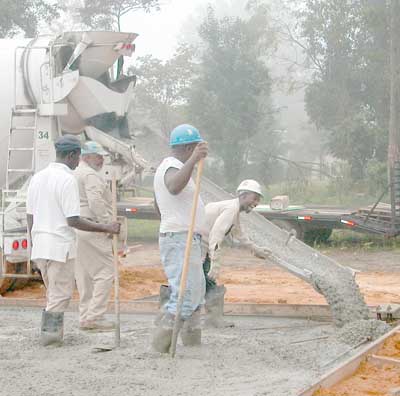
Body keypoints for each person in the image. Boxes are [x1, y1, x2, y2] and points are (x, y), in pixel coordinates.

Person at [26, 135, 120, 346]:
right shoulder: (67, 179)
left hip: (41, 245)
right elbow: (73, 220)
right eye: (77, 157)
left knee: (53, 294)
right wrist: (106, 227)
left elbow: (30, 216)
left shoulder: (37, 177)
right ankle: (50, 339)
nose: (79, 162)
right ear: (71, 155)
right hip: (59, 246)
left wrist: (33, 242)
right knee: (60, 296)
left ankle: (50, 335)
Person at [152, 124, 208, 353]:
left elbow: (158, 203)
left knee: (195, 291)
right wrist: (194, 160)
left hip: (182, 235)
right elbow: (173, 187)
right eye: (194, 148)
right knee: (185, 293)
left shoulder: (173, 167)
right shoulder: (172, 167)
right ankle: (161, 345)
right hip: (179, 238)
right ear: (187, 148)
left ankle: (191, 341)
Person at [202, 179, 271, 328]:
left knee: (206, 283)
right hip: (198, 248)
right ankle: (207, 320)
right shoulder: (231, 209)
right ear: (243, 195)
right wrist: (215, 263)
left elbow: (240, 235)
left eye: (258, 199)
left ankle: (212, 319)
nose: (256, 202)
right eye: (255, 198)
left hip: (202, 248)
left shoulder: (233, 210)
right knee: (203, 282)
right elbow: (216, 235)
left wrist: (256, 249)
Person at [74, 141, 116, 332]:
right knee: (106, 272)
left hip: (78, 226)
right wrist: (106, 224)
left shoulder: (76, 173)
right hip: (92, 226)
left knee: (84, 275)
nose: (101, 160)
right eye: (97, 156)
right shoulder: (90, 175)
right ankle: (95, 317)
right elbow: (96, 202)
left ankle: (86, 316)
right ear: (86, 156)